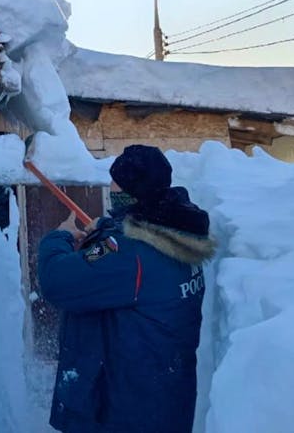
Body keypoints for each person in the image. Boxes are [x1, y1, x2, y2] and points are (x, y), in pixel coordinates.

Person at [37, 144, 216, 433]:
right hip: (163, 400)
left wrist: (61, 237)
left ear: (133, 193)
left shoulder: (127, 252)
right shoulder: (177, 231)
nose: (111, 188)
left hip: (125, 412)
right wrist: (106, 232)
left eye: (116, 184)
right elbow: (118, 254)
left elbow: (57, 279)